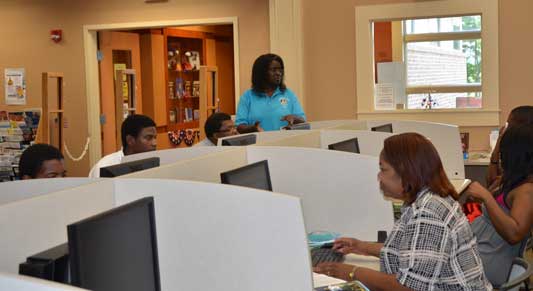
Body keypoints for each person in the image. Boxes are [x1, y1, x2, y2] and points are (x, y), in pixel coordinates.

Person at [314, 133, 491, 291]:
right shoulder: (426, 199)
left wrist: (350, 272)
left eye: (383, 169)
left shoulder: (428, 214)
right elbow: (414, 252)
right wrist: (361, 247)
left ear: (406, 172)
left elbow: (409, 287)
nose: (379, 177)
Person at [466, 124, 533, 286]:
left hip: (489, 259)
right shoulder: (513, 178)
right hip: (482, 248)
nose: (501, 156)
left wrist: (486, 197)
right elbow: (490, 185)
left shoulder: (527, 191)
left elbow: (514, 234)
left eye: (503, 152)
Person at [235, 53, 306, 132]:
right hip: (258, 143)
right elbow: (240, 126)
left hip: (284, 142)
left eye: (280, 69)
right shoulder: (247, 97)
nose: (278, 73)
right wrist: (253, 128)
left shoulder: (289, 94)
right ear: (261, 72)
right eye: (274, 70)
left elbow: (302, 120)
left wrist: (294, 118)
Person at [89, 114, 157, 177]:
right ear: (130, 140)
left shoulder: (155, 163)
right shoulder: (105, 165)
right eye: (148, 138)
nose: (154, 143)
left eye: (155, 138)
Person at [487, 105, 533, 189]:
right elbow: (492, 183)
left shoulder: (527, 184)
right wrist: (497, 147)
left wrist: (485, 196)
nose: (506, 128)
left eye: (509, 124)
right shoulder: (517, 163)